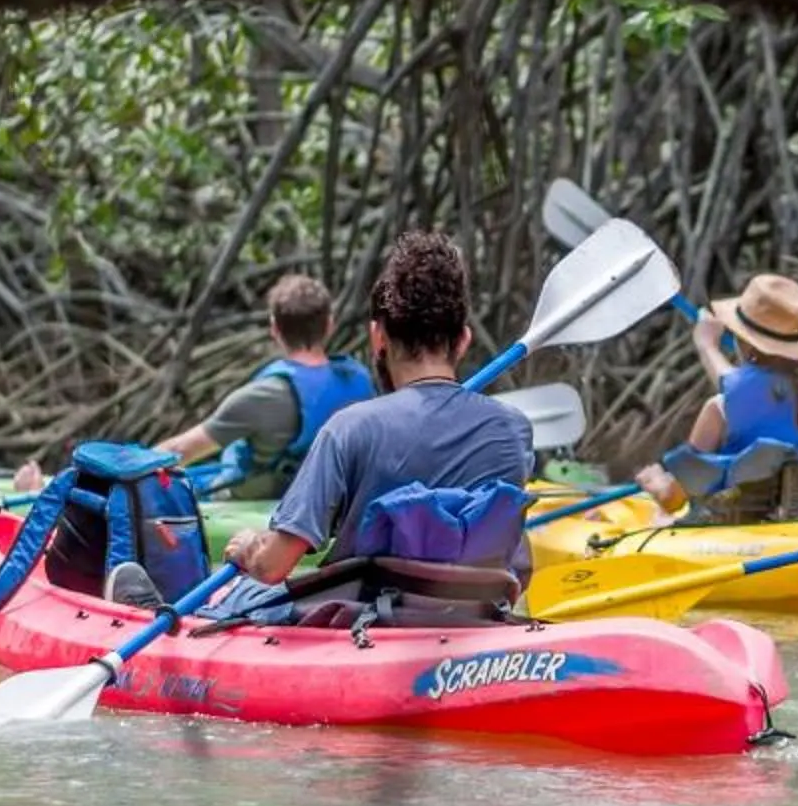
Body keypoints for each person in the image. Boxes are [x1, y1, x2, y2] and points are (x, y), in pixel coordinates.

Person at [119, 231, 532, 615]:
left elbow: (273, 567)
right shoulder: (514, 431)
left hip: (362, 623)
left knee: (241, 592)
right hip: (469, 621)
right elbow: (517, 562)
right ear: (463, 339)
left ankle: (152, 617)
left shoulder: (349, 429)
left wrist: (249, 547)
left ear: (378, 338)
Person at [12, 272, 368, 500]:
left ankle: (49, 488)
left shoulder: (260, 398)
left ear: (274, 328)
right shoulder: (361, 381)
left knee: (168, 480)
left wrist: (119, 473)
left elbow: (179, 450)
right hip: (329, 506)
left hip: (255, 502)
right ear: (330, 324)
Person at [636, 272, 798, 524]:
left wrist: (657, 482)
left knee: (659, 516)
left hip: (736, 537)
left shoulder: (720, 406)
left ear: (742, 340)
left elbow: (675, 499)